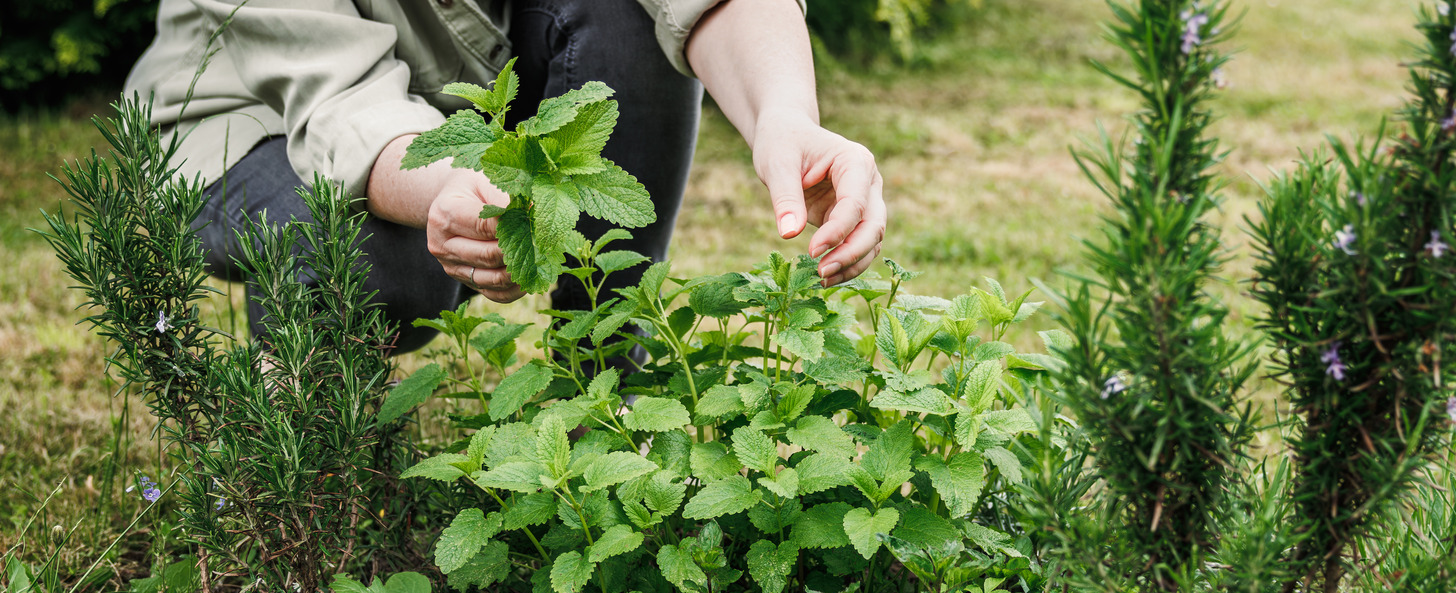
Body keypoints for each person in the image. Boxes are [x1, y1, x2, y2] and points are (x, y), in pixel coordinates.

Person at [125, 0, 887, 352]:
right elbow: (339, 104)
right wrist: (455, 193)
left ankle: (606, 376)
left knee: (631, 18)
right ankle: (304, 455)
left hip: (456, 91)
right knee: (385, 263)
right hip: (242, 123)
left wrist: (786, 113)